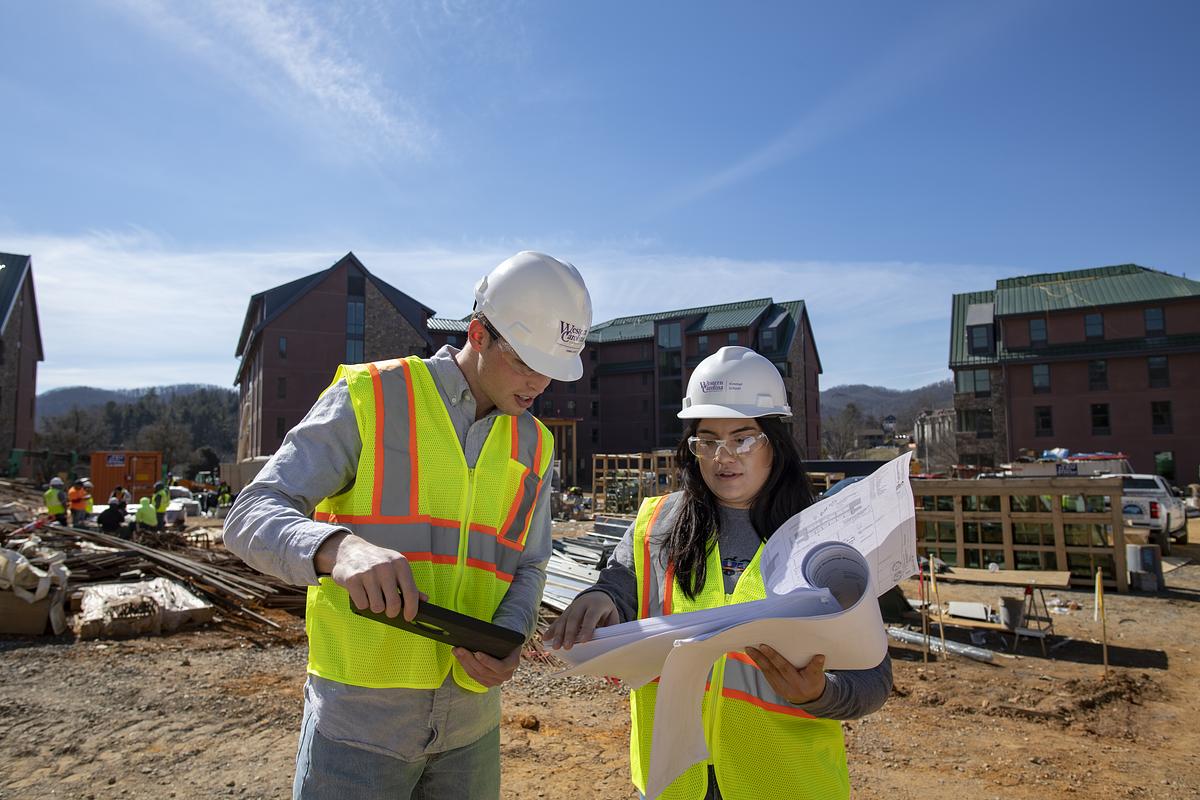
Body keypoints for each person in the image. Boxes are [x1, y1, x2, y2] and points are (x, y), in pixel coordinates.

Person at [223, 251, 592, 800]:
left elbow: (531, 560)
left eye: (552, 369)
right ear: (479, 334)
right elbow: (251, 514)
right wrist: (335, 549)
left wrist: (511, 634)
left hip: (471, 725)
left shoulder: (535, 443)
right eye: (526, 362)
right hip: (359, 725)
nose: (539, 383)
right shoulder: (372, 397)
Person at [546, 346, 893, 800]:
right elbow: (620, 587)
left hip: (783, 783)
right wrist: (600, 600)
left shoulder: (821, 538)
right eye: (707, 440)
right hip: (675, 781)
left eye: (743, 438)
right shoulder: (658, 524)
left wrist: (819, 693)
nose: (723, 456)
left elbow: (874, 678)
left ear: (775, 441)